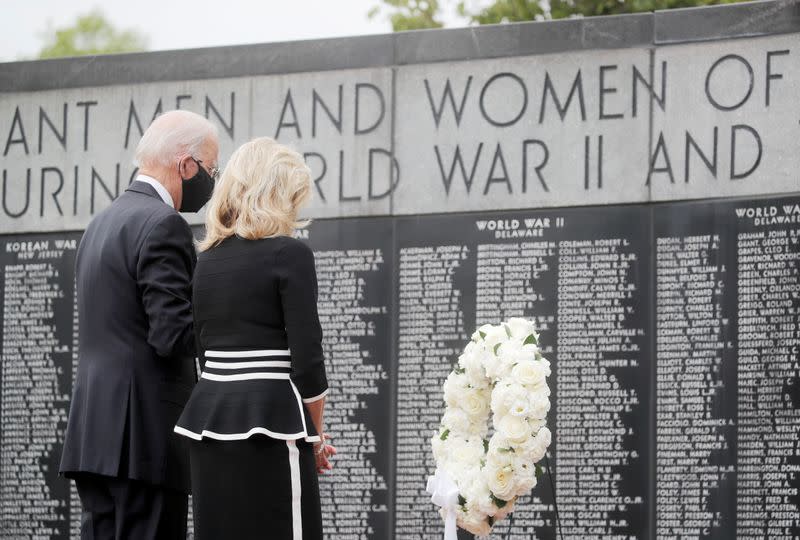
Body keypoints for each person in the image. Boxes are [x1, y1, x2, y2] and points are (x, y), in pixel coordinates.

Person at [59, 110, 220, 539]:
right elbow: (171, 334)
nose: (212, 181)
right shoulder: (162, 223)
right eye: (211, 169)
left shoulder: (101, 223)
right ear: (186, 165)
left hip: (94, 437)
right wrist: (228, 325)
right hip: (143, 442)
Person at [174, 137, 335, 540]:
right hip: (272, 425)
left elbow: (204, 351)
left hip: (208, 423)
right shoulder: (289, 255)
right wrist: (314, 438)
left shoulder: (205, 260)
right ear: (279, 194)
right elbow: (308, 363)